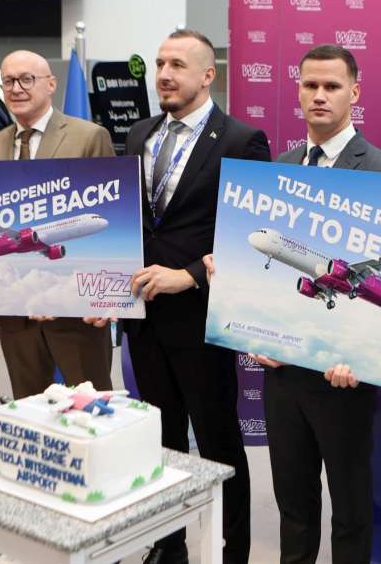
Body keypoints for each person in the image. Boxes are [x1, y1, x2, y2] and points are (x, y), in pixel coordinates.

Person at [248, 44, 381, 564]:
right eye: (310, 85)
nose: (319, 95)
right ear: (297, 91)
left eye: (332, 86)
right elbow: (269, 281)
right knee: (293, 506)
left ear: (354, 93)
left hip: (343, 380)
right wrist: (256, 334)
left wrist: (358, 356)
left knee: (350, 510)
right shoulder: (280, 167)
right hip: (283, 373)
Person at [123, 29, 271, 564]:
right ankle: (170, 547)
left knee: (217, 444)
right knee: (159, 443)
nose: (164, 74)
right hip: (142, 318)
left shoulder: (241, 141)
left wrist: (188, 275)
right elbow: (133, 222)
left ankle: (232, 552)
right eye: (160, 63)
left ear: (208, 75)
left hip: (202, 319)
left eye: (177, 66)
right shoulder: (139, 133)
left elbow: (250, 234)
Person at [0, 50, 115, 398]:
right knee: (29, 408)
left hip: (76, 311)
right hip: (15, 312)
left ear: (51, 84)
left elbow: (111, 220)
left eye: (27, 79)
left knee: (90, 407)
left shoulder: (89, 136)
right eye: (8, 81)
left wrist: (104, 296)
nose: (16, 88)